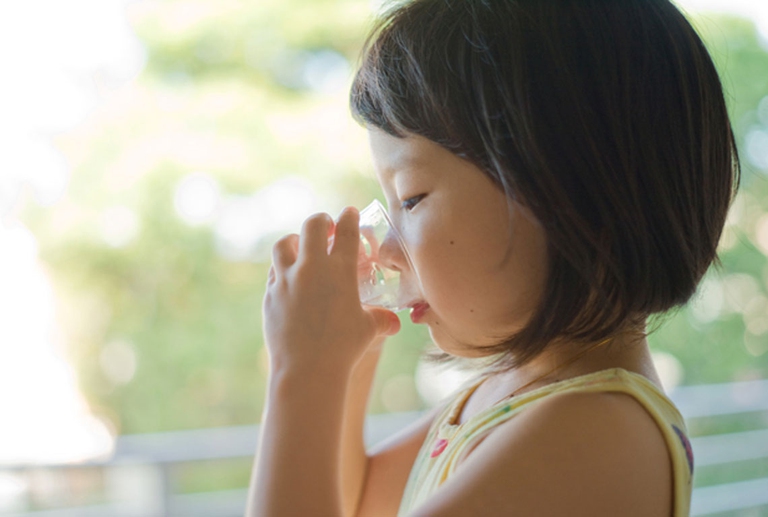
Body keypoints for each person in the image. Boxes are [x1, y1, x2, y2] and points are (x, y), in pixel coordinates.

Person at [246, 0, 740, 515]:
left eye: (411, 198)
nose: (386, 249)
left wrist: (302, 374)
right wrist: (347, 362)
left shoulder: (598, 431)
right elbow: (358, 500)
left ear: (560, 190)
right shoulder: (506, 394)